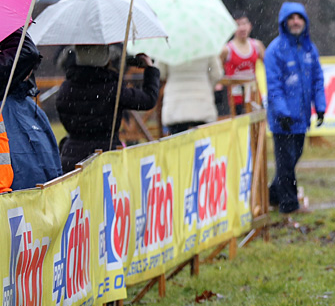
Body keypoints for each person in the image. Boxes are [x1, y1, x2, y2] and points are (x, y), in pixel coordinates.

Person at [56, 45, 160, 173]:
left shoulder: (66, 88)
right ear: (105, 58)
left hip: (72, 157)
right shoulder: (112, 88)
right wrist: (150, 70)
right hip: (106, 158)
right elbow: (148, 100)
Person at [265, 2, 327, 214]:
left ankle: (272, 195)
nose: (295, 22)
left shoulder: (309, 49)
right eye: (291, 18)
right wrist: (282, 113)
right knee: (285, 163)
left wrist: (320, 107)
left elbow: (317, 79)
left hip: (302, 118)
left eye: (299, 18)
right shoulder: (275, 50)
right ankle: (289, 205)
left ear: (305, 21)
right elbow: (274, 86)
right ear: (284, 22)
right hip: (282, 120)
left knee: (293, 158)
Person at [0, 30, 61, 189]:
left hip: (36, 207)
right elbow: (28, 53)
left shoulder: (33, 110)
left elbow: (55, 169)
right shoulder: (19, 108)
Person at [160, 55, 222, 136]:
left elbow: (160, 73)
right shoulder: (206, 46)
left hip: (175, 104)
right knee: (203, 143)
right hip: (202, 102)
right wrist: (207, 87)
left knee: (178, 144)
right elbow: (217, 73)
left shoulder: (168, 46)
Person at [221, 11, 267, 114]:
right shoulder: (226, 50)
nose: (242, 28)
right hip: (235, 99)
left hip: (254, 95)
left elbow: (270, 67)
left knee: (257, 125)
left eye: (245, 24)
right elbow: (217, 70)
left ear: (250, 26)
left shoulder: (257, 46)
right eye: (238, 25)